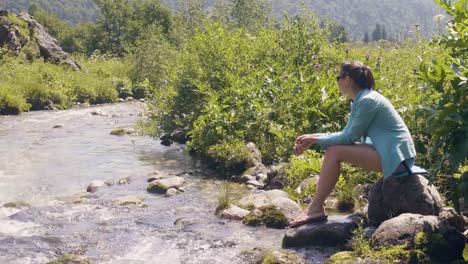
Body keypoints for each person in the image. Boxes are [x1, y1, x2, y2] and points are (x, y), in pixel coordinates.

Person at [288, 61, 416, 228]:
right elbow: (346, 134)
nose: (337, 82)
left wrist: (315, 140)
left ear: (347, 80)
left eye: (338, 78)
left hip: (398, 160)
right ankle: (315, 208)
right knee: (334, 150)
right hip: (391, 155)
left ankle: (315, 209)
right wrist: (313, 137)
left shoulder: (367, 101)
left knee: (334, 152)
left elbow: (348, 138)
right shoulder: (362, 99)